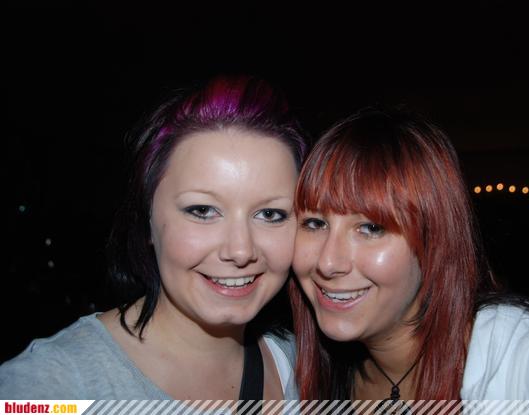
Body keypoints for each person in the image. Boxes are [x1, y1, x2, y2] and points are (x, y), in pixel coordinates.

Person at [0, 75, 307, 400]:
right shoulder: (53, 386)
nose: (241, 250)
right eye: (202, 210)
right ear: (147, 219)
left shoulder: (304, 367)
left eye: (270, 214)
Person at [289, 107, 529, 402]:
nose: (328, 262)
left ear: (435, 241)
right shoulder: (307, 375)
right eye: (315, 223)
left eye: (371, 228)